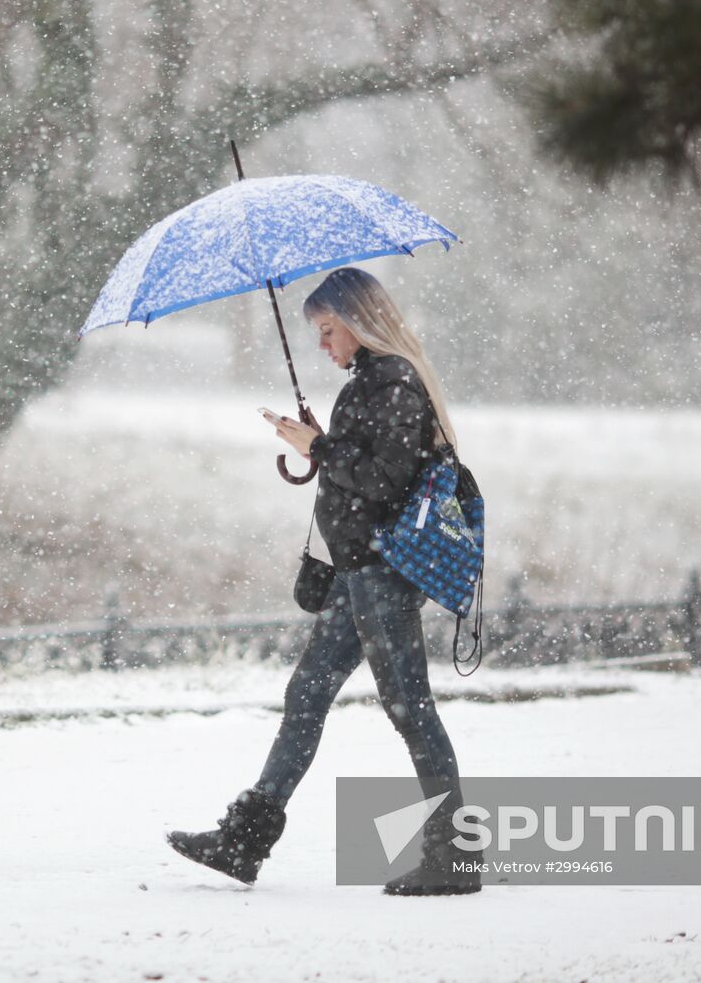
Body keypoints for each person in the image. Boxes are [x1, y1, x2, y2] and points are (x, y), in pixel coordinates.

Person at [167, 266, 479, 897]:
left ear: (361, 323)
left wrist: (322, 448)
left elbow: (385, 481)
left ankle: (456, 856)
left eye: (329, 329)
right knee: (307, 693)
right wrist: (318, 444)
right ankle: (245, 840)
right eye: (317, 332)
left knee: (410, 709)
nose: (322, 344)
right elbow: (364, 469)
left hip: (382, 573)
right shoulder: (370, 381)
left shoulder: (392, 379)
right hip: (356, 570)